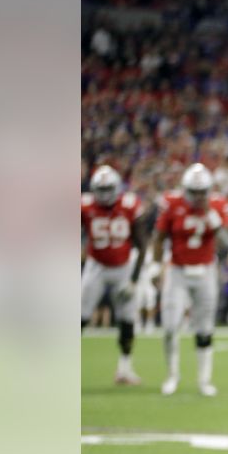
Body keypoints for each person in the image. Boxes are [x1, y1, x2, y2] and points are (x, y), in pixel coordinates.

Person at [152, 163, 228, 396]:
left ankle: (204, 380)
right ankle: (172, 376)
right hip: (177, 270)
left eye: (202, 192)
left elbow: (226, 243)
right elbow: (159, 236)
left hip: (205, 270)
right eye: (194, 192)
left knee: (205, 328)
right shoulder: (172, 203)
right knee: (169, 327)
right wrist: (156, 267)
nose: (198, 197)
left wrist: (212, 217)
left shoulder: (217, 205)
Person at [81, 164, 148, 384]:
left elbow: (142, 245)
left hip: (123, 267)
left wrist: (134, 280)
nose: (104, 194)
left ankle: (125, 369)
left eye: (108, 188)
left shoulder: (129, 205)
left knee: (128, 319)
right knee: (80, 315)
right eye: (100, 189)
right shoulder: (85, 206)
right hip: (96, 266)